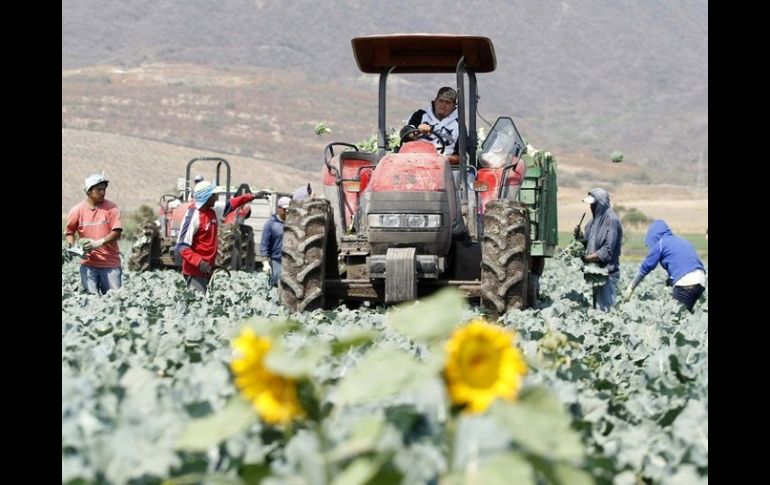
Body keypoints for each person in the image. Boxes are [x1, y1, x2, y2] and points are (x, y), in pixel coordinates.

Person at [176, 180, 258, 294]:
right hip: (195, 272)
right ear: (207, 197)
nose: (216, 197)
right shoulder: (193, 216)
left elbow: (231, 204)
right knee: (196, 306)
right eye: (214, 195)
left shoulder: (213, 210)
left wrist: (252, 196)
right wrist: (199, 262)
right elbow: (182, 246)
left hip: (207, 270)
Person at [623, 220, 706, 313]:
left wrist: (631, 287)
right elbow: (685, 264)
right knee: (689, 317)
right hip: (701, 281)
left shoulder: (661, 243)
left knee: (676, 319)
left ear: (653, 235)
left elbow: (645, 267)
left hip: (685, 284)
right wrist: (670, 280)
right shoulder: (682, 241)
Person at [65, 172, 124, 295]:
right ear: (89, 191)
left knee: (115, 302)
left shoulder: (112, 208)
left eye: (104, 189)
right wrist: (73, 247)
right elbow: (70, 232)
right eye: (99, 189)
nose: (103, 192)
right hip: (88, 265)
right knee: (90, 301)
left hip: (110, 265)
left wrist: (98, 243)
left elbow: (116, 232)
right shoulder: (77, 210)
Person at [574, 188, 623, 311]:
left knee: (606, 313)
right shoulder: (593, 222)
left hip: (607, 274)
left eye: (593, 204)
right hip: (595, 273)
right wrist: (579, 237)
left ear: (600, 203)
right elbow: (588, 243)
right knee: (598, 314)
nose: (590, 207)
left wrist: (587, 258)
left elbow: (607, 250)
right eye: (590, 204)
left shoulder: (611, 221)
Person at [405, 86, 460, 165]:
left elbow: (461, 156)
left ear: (454, 106)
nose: (443, 105)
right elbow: (405, 135)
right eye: (441, 101)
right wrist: (417, 132)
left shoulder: (459, 124)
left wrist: (441, 159)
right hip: (417, 162)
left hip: (445, 167)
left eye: (448, 103)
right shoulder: (420, 116)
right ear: (435, 101)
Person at [261, 196, 291, 287]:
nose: (287, 212)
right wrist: (265, 263)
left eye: (289, 209)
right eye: (285, 209)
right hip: (276, 260)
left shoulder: (293, 224)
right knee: (278, 284)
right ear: (279, 209)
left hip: (291, 261)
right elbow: (264, 244)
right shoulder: (271, 224)